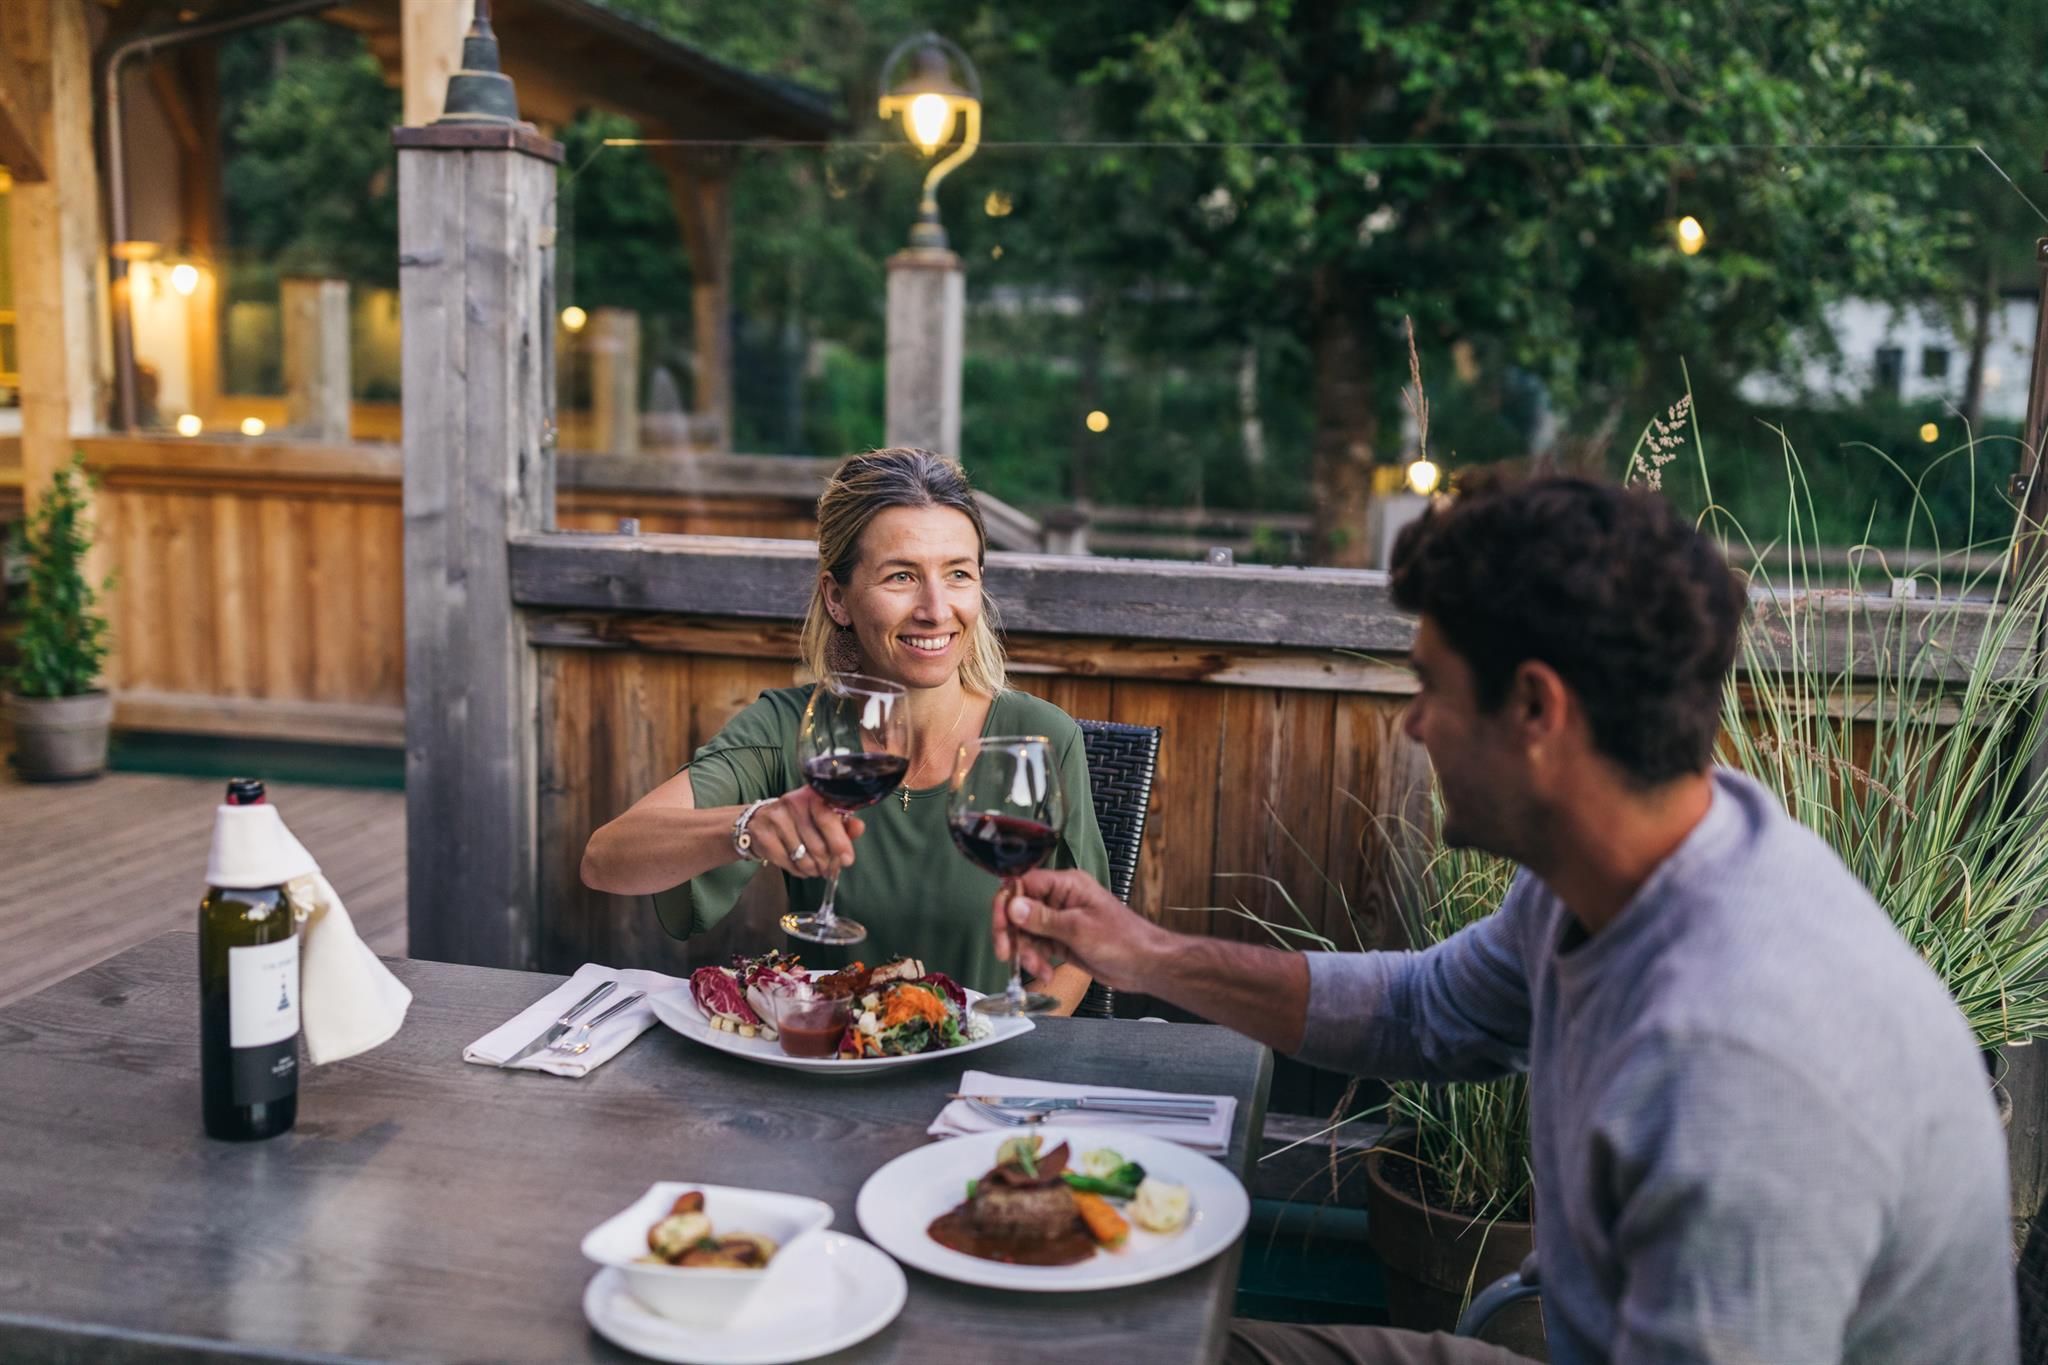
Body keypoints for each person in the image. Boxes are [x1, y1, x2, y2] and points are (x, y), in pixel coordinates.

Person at [992, 475, 2017, 1363]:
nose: (1412, 722)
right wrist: (1146, 952)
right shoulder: (1624, 865)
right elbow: (1419, 1012)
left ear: (1535, 710)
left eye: (1431, 687)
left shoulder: (1734, 1067)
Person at [582, 447, 1110, 1010]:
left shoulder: (1041, 737)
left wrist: (1000, 1048)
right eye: (901, 576)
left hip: (980, 1067)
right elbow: (605, 859)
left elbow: (1082, 945)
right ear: (838, 598)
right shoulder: (791, 727)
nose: (935, 608)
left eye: (958, 574)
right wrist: (749, 824)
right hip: (830, 1065)